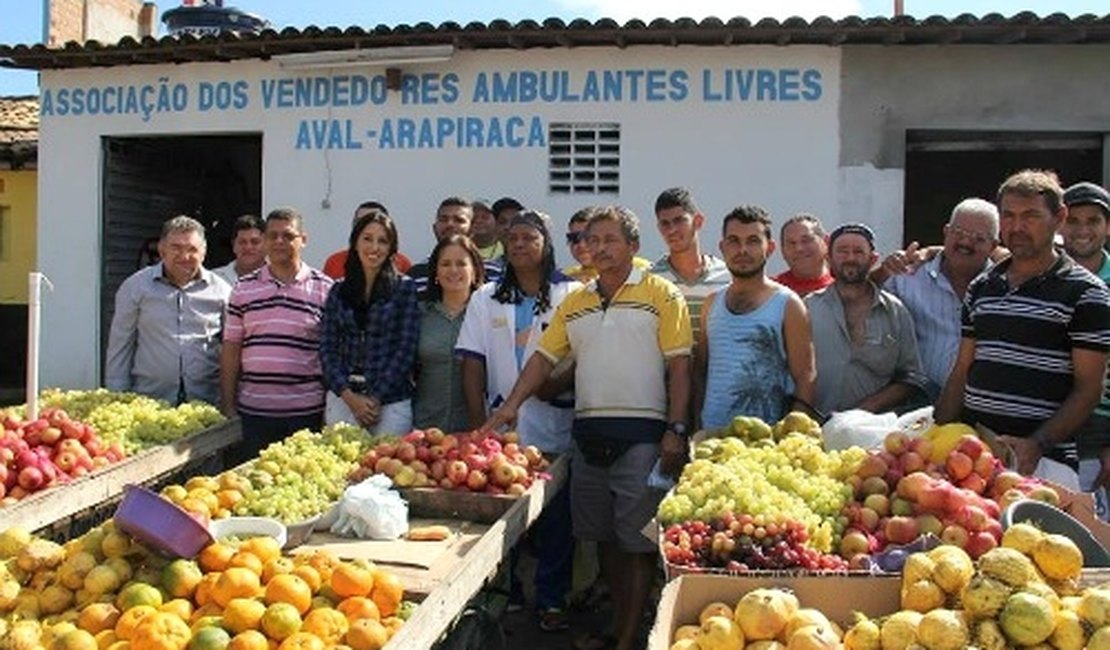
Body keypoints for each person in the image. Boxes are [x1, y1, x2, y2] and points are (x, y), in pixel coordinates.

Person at [485, 206, 692, 650]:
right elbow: (542, 359)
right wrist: (510, 409)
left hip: (643, 435)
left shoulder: (662, 293)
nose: (598, 248)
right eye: (591, 240)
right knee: (602, 539)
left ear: (633, 247)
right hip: (588, 433)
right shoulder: (575, 301)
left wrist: (676, 428)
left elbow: (680, 366)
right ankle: (620, 625)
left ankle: (627, 637)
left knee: (636, 543)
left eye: (610, 239)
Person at [936, 170, 1110, 488]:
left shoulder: (1087, 293)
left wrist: (1037, 444)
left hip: (1046, 466)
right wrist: (936, 435)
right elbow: (962, 370)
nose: (1017, 227)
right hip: (974, 460)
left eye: (1030, 216)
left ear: (1059, 217)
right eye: (1009, 216)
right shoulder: (982, 287)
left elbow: (1089, 389)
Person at [456, 211, 580, 631]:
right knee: (499, 517)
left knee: (556, 518)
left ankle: (550, 598)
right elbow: (471, 361)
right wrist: (480, 426)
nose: (519, 245)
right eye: (512, 239)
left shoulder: (573, 293)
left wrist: (557, 385)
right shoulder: (486, 296)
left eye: (529, 237)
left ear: (546, 243)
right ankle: (505, 594)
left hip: (554, 420)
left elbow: (584, 355)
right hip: (500, 427)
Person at [221, 208, 334, 463]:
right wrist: (228, 406)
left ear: (303, 239)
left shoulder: (325, 289)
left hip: (306, 414)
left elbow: (331, 354)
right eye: (273, 236)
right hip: (253, 415)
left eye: (288, 235)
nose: (280, 242)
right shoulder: (243, 288)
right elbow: (231, 349)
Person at [697, 205, 816, 428]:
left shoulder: (788, 304)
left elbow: (805, 376)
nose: (742, 250)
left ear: (769, 248)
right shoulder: (711, 304)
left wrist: (793, 434)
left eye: (753, 241)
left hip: (766, 444)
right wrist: (694, 428)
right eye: (734, 241)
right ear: (722, 247)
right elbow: (700, 373)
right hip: (710, 442)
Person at [874, 199, 999, 400]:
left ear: (993, 245)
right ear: (946, 232)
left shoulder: (1006, 287)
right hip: (914, 407)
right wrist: (882, 270)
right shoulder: (907, 276)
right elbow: (862, 297)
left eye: (978, 238)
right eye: (959, 233)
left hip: (983, 408)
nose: (966, 243)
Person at [106, 216, 231, 406]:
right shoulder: (136, 287)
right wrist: (116, 396)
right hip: (149, 401)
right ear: (162, 249)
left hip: (205, 402)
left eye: (192, 249)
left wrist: (229, 401)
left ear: (203, 253)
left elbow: (232, 346)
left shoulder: (221, 291)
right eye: (176, 248)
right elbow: (121, 345)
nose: (184, 256)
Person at [806, 223, 927, 415]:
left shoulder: (896, 312)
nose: (850, 258)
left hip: (874, 432)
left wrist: (866, 410)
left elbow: (912, 377)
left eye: (858, 252)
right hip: (814, 429)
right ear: (828, 258)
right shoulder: (807, 308)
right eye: (843, 251)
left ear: (873, 259)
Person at [320, 210, 420, 434]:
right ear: (355, 242)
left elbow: (406, 350)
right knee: (341, 467)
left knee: (388, 467)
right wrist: (349, 396)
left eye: (382, 241)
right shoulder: (338, 289)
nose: (374, 247)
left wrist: (375, 398)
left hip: (390, 401)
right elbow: (327, 347)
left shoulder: (404, 289)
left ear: (391, 248)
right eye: (367, 238)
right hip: (343, 399)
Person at [1061, 182, 1110, 512]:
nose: (1082, 230)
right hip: (1049, 431)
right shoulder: (1041, 276)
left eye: (1093, 220)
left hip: (1102, 434)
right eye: (1073, 220)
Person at [412, 235, 485, 433]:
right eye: (445, 264)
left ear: (475, 270)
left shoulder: (488, 315)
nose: (453, 270)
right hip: (424, 428)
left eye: (461, 263)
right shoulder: (419, 314)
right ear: (435, 271)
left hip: (477, 430)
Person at [649, 187, 730, 339]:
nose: (672, 230)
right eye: (665, 223)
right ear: (659, 228)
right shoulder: (651, 280)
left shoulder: (726, 277)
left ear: (698, 222)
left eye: (679, 220)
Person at [408, 197, 501, 292]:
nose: (450, 224)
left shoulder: (495, 273)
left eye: (459, 220)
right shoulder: (416, 274)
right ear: (435, 228)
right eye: (444, 219)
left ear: (473, 229)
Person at [322, 201, 412, 279]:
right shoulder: (334, 262)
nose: (367, 226)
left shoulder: (402, 264)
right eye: (361, 221)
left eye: (373, 220)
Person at [563, 206, 651, 283]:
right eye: (574, 238)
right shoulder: (563, 280)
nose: (581, 245)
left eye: (589, 237)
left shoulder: (645, 270)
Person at [773, 214, 835, 296]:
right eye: (791, 243)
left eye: (806, 240)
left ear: (826, 242)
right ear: (782, 250)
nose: (799, 248)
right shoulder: (769, 292)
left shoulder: (845, 287)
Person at [212, 214, 266, 285]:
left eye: (255, 242)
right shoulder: (214, 279)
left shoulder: (280, 279)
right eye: (242, 242)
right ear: (234, 245)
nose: (248, 247)